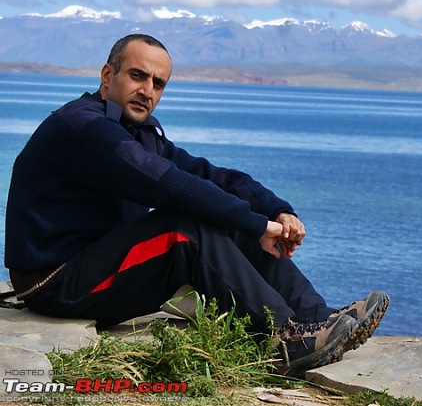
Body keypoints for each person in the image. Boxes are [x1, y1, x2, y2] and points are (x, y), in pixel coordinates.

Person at [3, 33, 389, 375]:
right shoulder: (84, 127)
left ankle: (316, 320)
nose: (148, 90)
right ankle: (284, 338)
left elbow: (209, 175)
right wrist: (257, 226)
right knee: (185, 228)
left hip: (100, 265)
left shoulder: (138, 132)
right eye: (137, 76)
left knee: (218, 211)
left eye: (158, 83)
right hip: (55, 281)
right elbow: (169, 184)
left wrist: (276, 211)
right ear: (108, 76)